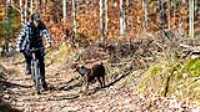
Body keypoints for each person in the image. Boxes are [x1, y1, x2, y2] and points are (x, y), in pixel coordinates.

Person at [16, 12, 53, 90]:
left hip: (39, 45)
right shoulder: (27, 26)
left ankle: (43, 81)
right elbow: (21, 36)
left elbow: (46, 34)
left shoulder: (42, 25)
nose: (37, 22)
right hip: (28, 45)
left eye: (39, 21)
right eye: (36, 21)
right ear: (32, 20)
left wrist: (49, 43)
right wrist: (18, 46)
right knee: (27, 56)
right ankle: (29, 67)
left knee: (41, 63)